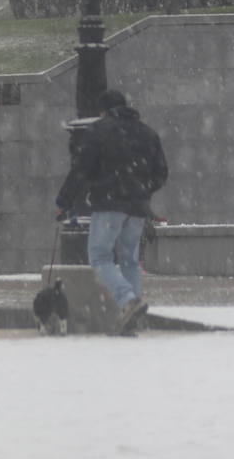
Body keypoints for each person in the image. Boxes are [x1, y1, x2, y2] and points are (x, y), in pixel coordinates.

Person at [55, 89, 168, 335]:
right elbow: (161, 174)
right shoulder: (148, 133)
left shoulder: (100, 131)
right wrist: (142, 190)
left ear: (103, 111)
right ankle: (131, 315)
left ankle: (127, 300)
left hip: (109, 204)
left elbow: (81, 169)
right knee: (130, 260)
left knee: (100, 257)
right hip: (138, 207)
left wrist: (64, 200)